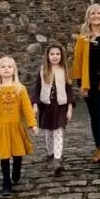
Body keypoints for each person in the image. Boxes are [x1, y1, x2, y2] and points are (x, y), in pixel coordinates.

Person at [71, 3, 100, 166]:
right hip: (89, 83)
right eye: (93, 13)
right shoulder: (82, 39)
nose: (96, 16)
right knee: (94, 117)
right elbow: (77, 62)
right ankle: (99, 147)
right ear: (88, 16)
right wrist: (81, 84)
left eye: (99, 13)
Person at [0, 56, 38, 196]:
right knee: (3, 155)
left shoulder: (20, 89)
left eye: (9, 66)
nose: (6, 69)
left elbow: (27, 108)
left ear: (14, 70)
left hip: (16, 127)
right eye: (3, 67)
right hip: (1, 128)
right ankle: (6, 182)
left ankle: (16, 170)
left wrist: (33, 124)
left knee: (17, 153)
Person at [31, 43, 75, 175]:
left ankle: (57, 159)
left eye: (57, 54)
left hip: (61, 106)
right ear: (47, 56)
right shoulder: (43, 70)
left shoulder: (65, 70)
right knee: (49, 132)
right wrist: (35, 104)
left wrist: (70, 108)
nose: (55, 56)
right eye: (52, 54)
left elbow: (69, 90)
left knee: (58, 131)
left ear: (61, 56)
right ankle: (50, 154)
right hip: (46, 107)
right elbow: (37, 89)